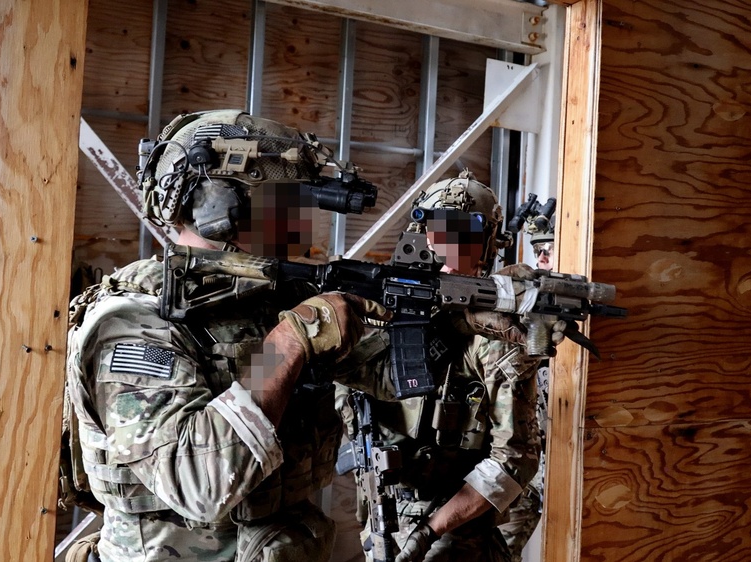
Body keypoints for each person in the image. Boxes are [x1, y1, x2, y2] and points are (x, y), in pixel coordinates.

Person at [64, 109, 389, 562]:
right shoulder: (131, 324)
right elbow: (199, 483)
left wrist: (452, 317)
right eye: (284, 203)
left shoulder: (269, 295)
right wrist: (291, 342)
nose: (301, 226)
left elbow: (387, 372)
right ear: (218, 210)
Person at [335, 171, 543, 562]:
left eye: (465, 232)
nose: (450, 243)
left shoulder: (496, 333)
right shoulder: (393, 307)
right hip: (385, 513)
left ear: (488, 239)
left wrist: (429, 533)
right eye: (439, 228)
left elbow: (514, 459)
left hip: (453, 528)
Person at [496, 200, 554, 561]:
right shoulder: (524, 308)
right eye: (538, 251)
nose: (543, 259)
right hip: (524, 466)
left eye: (549, 249)